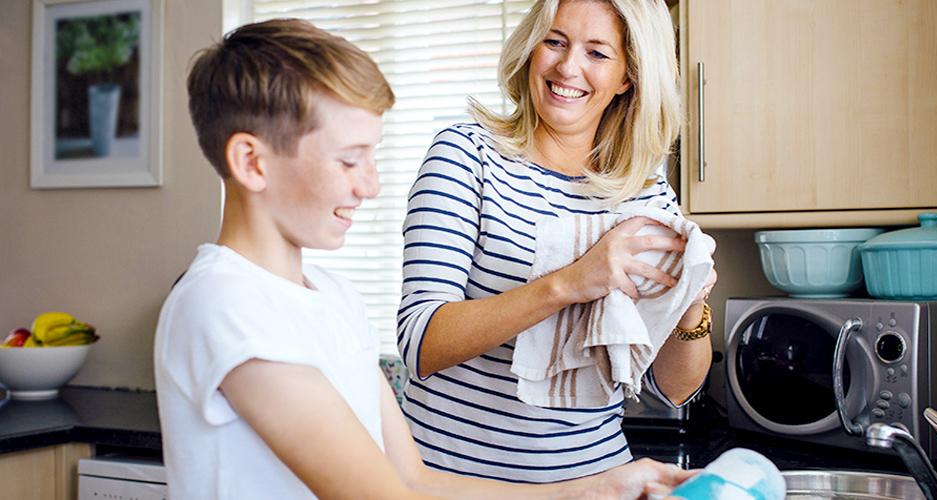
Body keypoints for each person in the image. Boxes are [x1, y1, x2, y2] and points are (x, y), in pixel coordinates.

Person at [154, 18, 695, 499]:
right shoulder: (225, 304)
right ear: (251, 161)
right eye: (349, 159)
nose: (371, 184)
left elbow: (414, 479)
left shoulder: (332, 298)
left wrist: (599, 487)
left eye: (372, 156)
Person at [397, 0, 718, 483]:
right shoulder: (467, 157)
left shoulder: (646, 194)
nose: (568, 67)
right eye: (555, 41)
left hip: (597, 483)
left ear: (628, 75)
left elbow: (672, 389)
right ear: (531, 46)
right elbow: (420, 340)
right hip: (455, 484)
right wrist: (569, 283)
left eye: (597, 52)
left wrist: (691, 305)